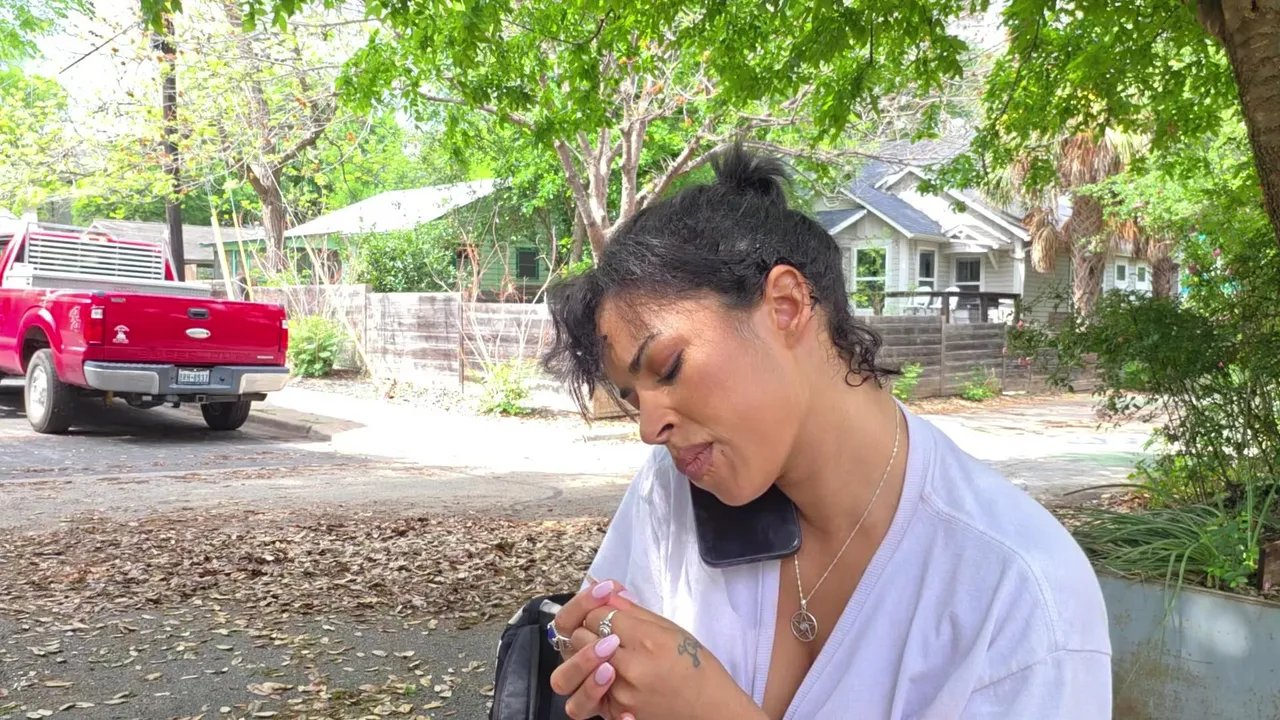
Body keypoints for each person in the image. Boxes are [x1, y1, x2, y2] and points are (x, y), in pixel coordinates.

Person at [537, 145, 1112, 720]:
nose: (649, 427)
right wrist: (591, 657)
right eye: (632, 397)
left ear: (786, 305)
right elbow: (605, 650)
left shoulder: (1019, 586)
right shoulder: (674, 493)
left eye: (668, 368)